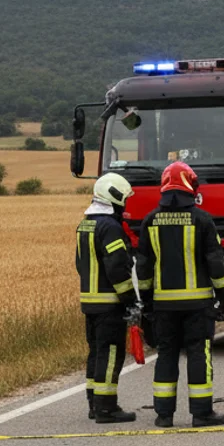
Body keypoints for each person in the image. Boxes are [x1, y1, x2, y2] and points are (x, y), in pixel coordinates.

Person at [136, 161, 224, 428]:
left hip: (163, 305)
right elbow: (216, 263)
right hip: (198, 305)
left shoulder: (150, 221)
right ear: (192, 186)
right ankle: (201, 413)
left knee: (166, 354)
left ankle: (163, 415)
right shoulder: (202, 220)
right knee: (199, 354)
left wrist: (146, 301)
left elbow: (143, 266)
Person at [75, 173, 138, 423]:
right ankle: (106, 408)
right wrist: (130, 300)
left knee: (96, 352)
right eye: (124, 199)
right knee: (111, 354)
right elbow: (117, 268)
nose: (125, 204)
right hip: (109, 304)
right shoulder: (110, 227)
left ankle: (94, 403)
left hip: (89, 303)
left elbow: (79, 263)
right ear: (114, 197)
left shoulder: (85, 224)